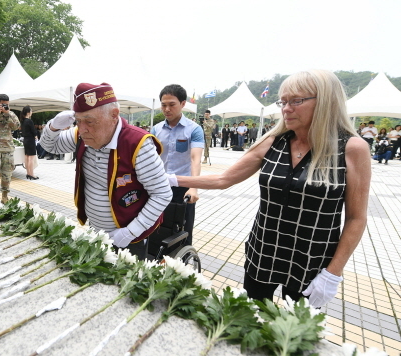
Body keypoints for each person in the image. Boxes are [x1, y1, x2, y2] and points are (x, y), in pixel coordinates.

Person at [169, 70, 371, 307]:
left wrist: (333, 273)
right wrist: (171, 179)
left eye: (296, 101)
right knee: (251, 317)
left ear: (326, 101)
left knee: (293, 335)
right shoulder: (273, 142)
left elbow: (356, 218)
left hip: (311, 261)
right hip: (264, 252)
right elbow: (224, 179)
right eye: (283, 101)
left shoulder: (351, 148)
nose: (286, 108)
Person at [39, 82, 172, 259]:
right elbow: (49, 145)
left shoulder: (137, 144)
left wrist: (130, 232)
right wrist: (54, 126)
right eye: (78, 121)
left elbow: (162, 193)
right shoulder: (81, 135)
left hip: (131, 236)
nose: (83, 128)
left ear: (114, 115)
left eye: (90, 121)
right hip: (96, 230)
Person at [151, 84, 203, 246]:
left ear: (182, 104)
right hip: (160, 186)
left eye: (171, 104)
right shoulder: (155, 129)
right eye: (163, 105)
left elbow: (196, 159)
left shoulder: (194, 129)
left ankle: (182, 265)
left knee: (184, 229)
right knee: (157, 227)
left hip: (184, 187)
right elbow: (149, 159)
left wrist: (193, 187)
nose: (167, 109)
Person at [21, 105, 38, 180]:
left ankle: (28, 173)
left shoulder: (23, 121)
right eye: (31, 111)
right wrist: (36, 136)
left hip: (25, 140)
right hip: (30, 140)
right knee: (31, 158)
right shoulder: (29, 121)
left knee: (27, 157)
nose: (32, 112)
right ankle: (31, 174)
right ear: (28, 112)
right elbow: (33, 131)